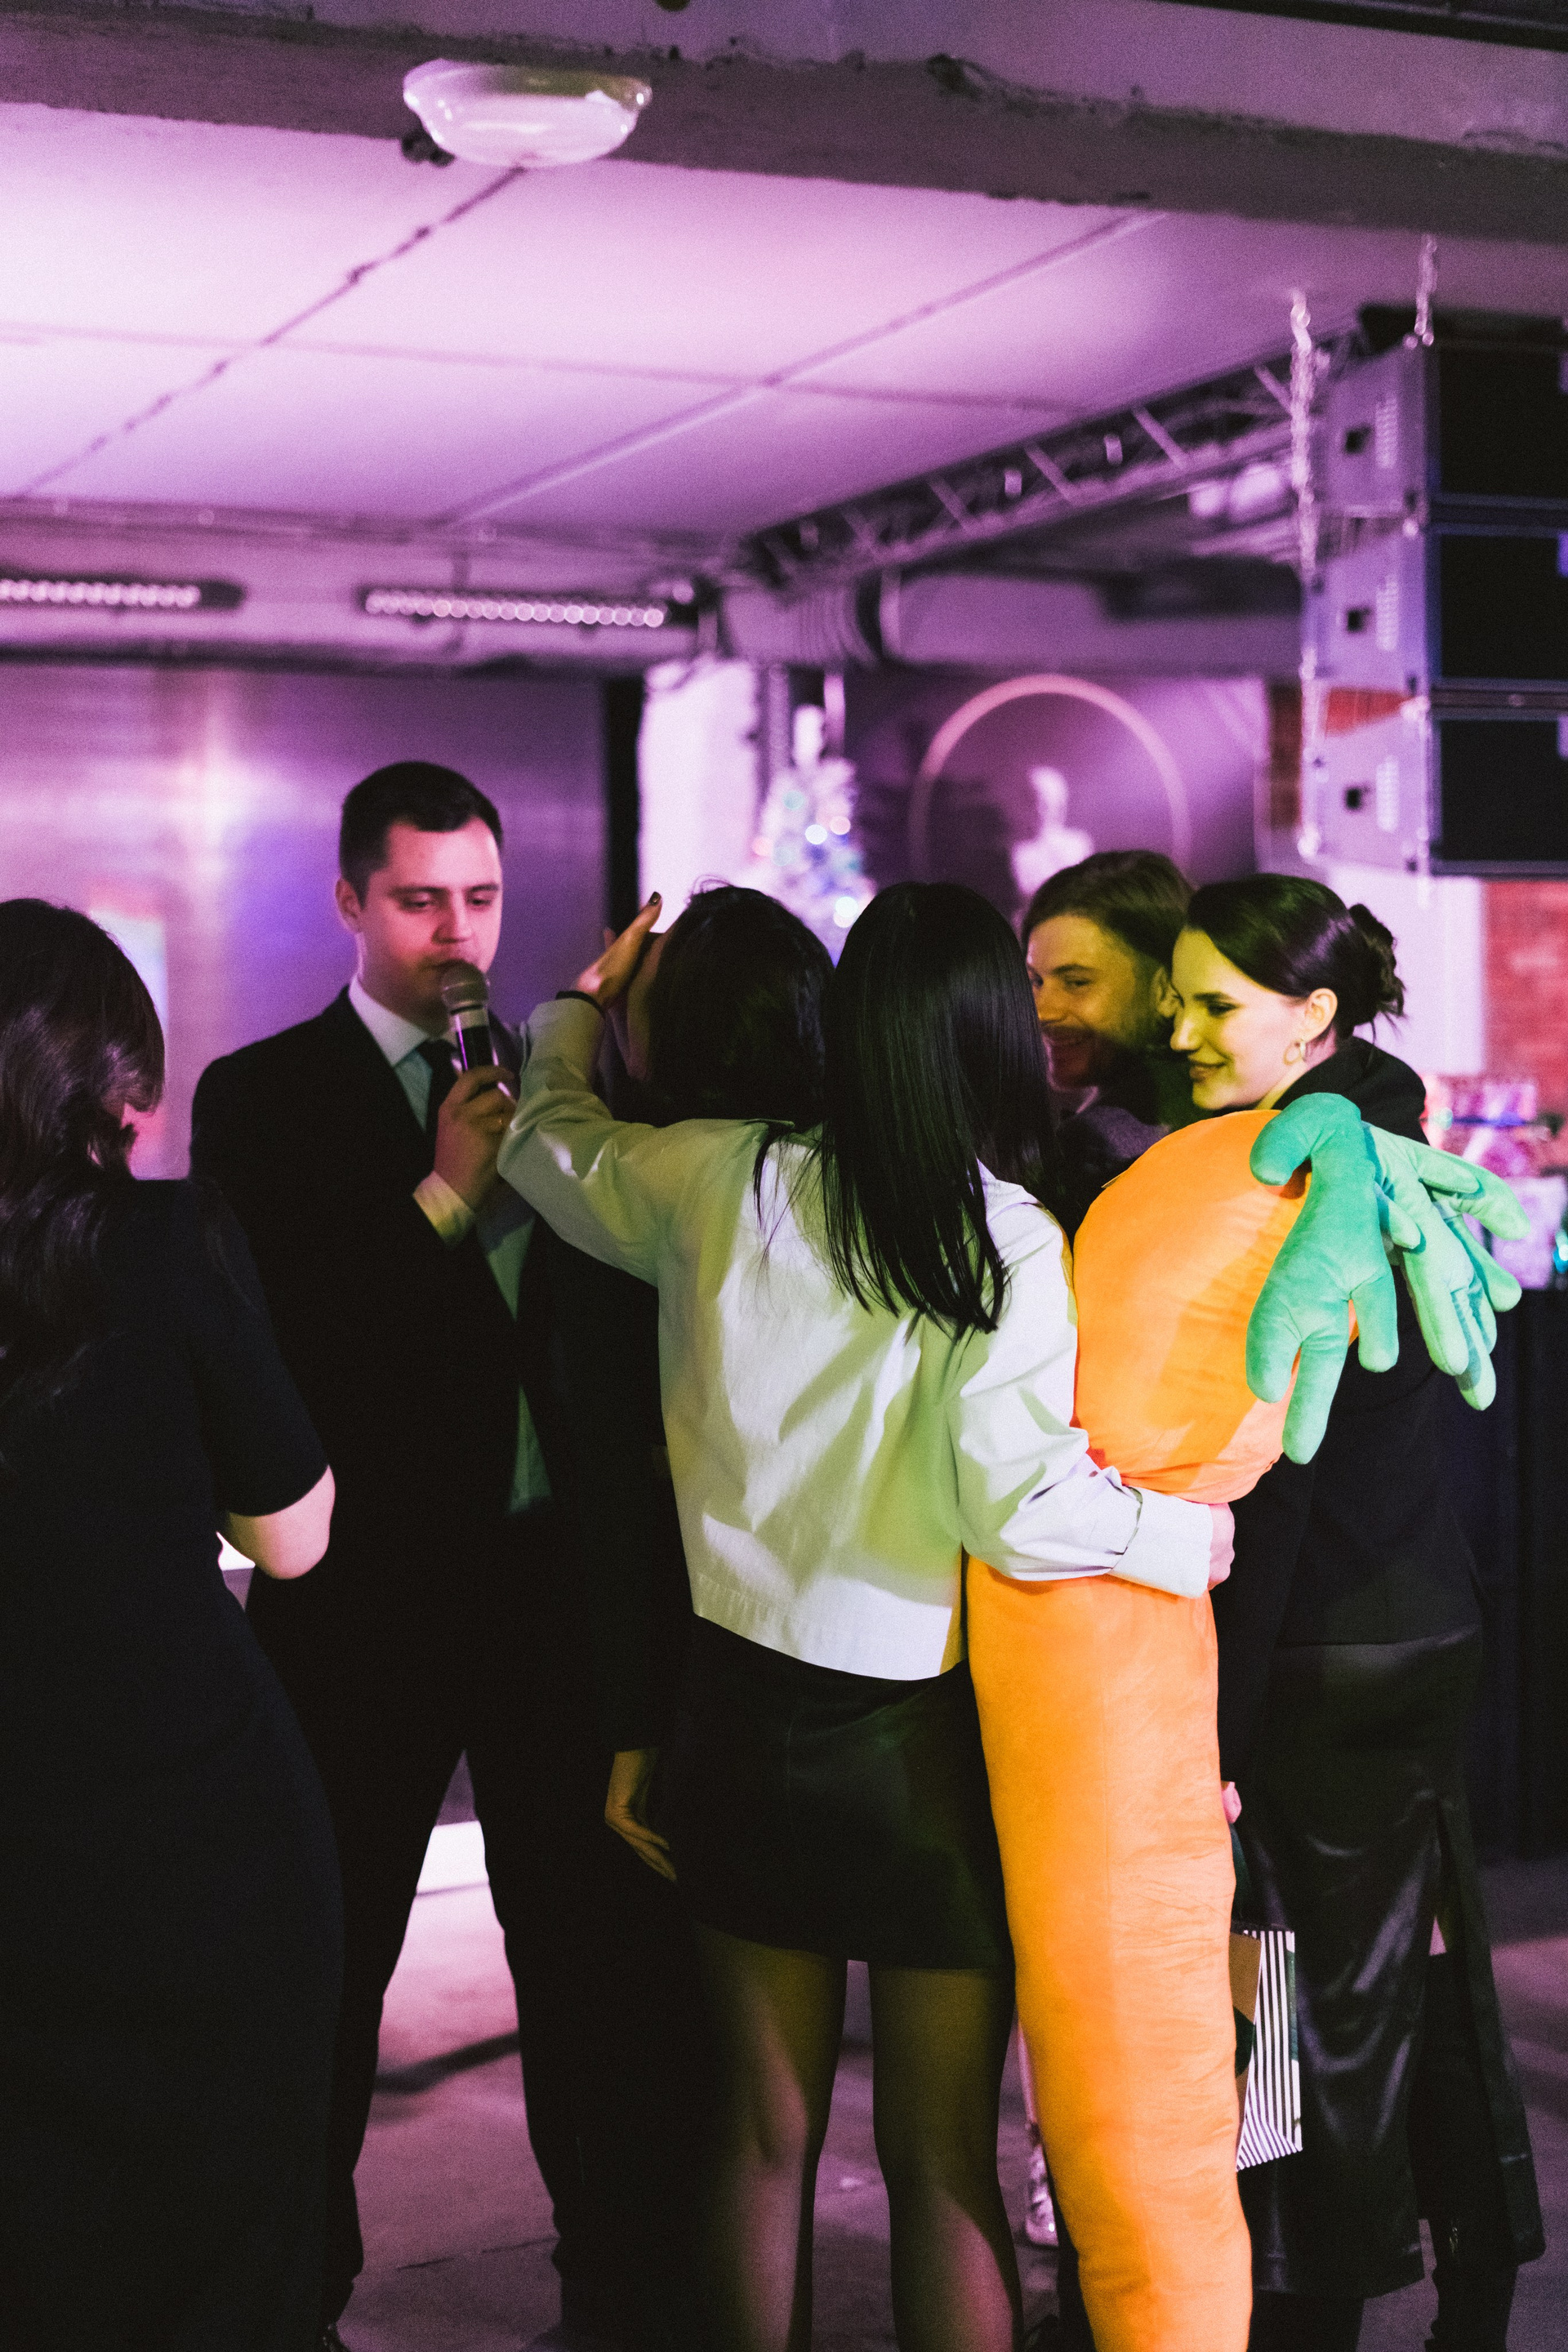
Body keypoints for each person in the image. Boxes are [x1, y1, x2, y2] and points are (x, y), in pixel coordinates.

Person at [499, 878, 1232, 2352]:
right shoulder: (1005, 1235)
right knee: (938, 2156)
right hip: (916, 1754)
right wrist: (1188, 1536)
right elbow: (1018, 1509)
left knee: (758, 2137)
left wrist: (576, 1010)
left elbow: (542, 1143)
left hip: (734, 1714)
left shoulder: (717, 1176)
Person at [189, 764, 625, 2350]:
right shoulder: (264, 1095)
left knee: (578, 1966)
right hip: (362, 1600)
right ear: (350, 903)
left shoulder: (561, 1086)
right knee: (329, 1962)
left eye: (483, 900)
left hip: (546, 1590)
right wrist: (441, 1195)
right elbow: (278, 1352)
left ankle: (610, 2282)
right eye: (422, 900)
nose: (458, 935)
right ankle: (294, 2293)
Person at [1166, 875, 1545, 2352]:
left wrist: (1215, 1726)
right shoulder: (1379, 1130)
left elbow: (1279, 1484)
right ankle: (1479, 2270)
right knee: (1422, 1963)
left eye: (1214, 1005)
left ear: (1312, 1014)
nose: (1179, 1033)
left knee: (1281, 1985)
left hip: (1314, 1649)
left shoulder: (1287, 1176)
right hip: (1420, 1624)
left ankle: (1299, 2296)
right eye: (1177, 1001)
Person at [0, 899, 340, 2351]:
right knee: (226, 2239)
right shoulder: (164, 1237)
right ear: (113, 1088)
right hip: (199, 1824)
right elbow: (295, 1537)